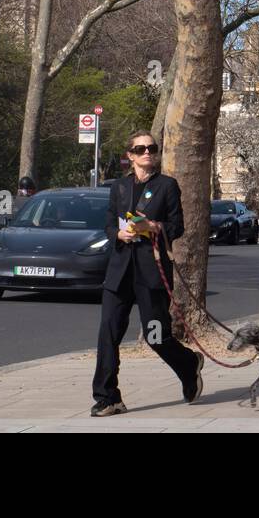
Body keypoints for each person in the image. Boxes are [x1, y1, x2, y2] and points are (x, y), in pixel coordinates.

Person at [91, 130, 204, 417]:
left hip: (151, 273)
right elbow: (107, 225)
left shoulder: (167, 186)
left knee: (156, 336)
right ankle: (108, 397)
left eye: (151, 148)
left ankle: (189, 364)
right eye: (140, 149)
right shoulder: (119, 187)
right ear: (130, 156)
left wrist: (155, 227)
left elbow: (177, 226)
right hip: (119, 273)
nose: (147, 153)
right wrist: (119, 233)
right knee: (108, 334)